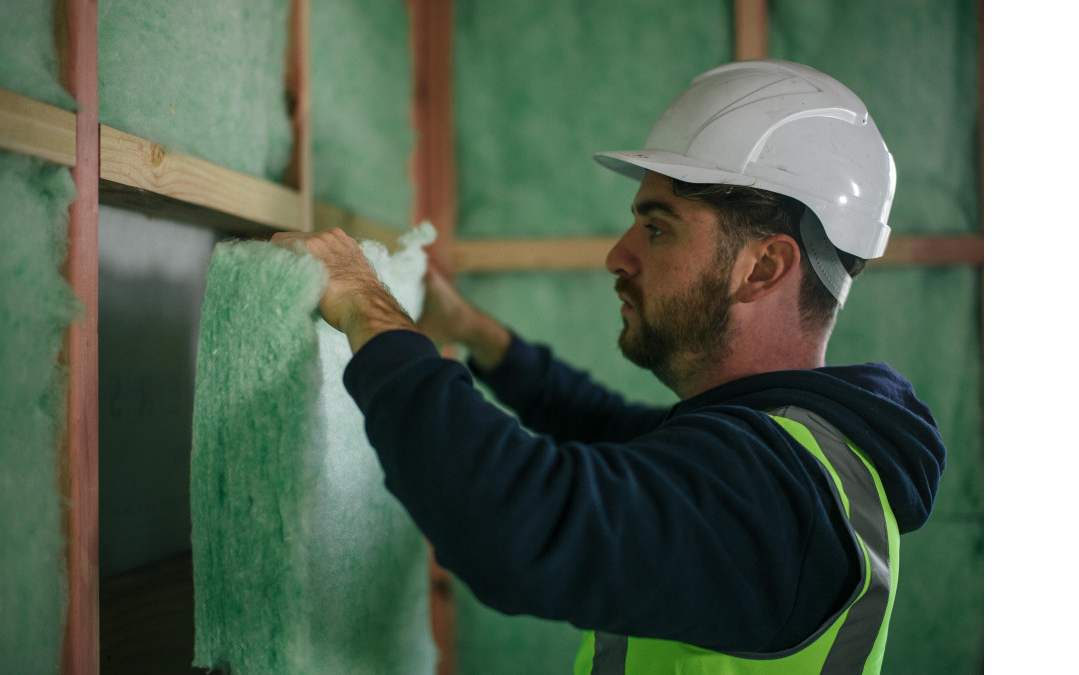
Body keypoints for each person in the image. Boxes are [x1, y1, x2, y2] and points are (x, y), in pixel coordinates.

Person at [271, 60, 945, 674]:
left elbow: (512, 521)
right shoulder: (799, 451)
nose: (618, 255)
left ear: (762, 267)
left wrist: (370, 309)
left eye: (658, 227)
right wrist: (473, 333)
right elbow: (610, 429)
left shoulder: (775, 494)